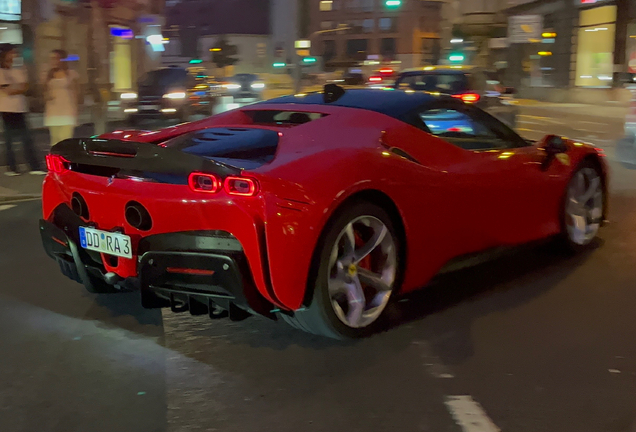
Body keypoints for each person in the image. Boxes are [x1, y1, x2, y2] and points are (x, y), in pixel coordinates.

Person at [0, 44, 44, 176]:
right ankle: (12, 168)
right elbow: (6, 90)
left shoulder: (18, 69)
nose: (14, 55)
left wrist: (15, 88)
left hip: (20, 107)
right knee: (10, 140)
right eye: (11, 53)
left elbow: (24, 87)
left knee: (27, 138)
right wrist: (15, 88)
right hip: (6, 108)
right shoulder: (2, 71)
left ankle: (34, 166)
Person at [44, 49, 79, 146]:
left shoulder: (71, 74)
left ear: (62, 59)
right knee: (54, 142)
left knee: (65, 141)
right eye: (51, 59)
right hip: (53, 112)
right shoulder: (49, 75)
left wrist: (75, 113)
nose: (53, 61)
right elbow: (44, 92)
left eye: (56, 58)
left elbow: (75, 93)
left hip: (67, 111)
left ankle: (65, 161)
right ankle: (54, 161)